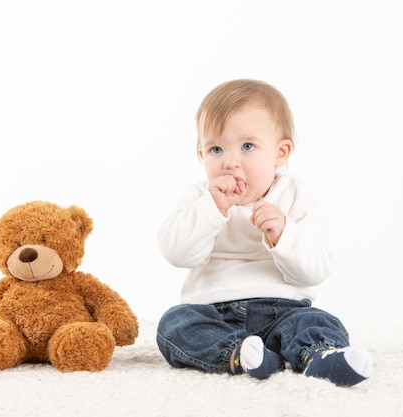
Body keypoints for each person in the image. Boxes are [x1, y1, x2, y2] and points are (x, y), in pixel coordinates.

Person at [156, 79, 372, 387]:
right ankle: (240, 355)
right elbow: (175, 252)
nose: (230, 162)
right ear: (201, 156)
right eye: (216, 149)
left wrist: (284, 234)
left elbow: (316, 269)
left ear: (280, 153)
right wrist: (211, 210)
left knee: (317, 322)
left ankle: (320, 356)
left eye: (247, 147)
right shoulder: (200, 197)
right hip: (213, 311)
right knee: (173, 325)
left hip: (283, 308)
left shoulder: (294, 193)